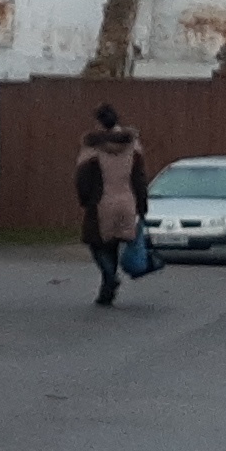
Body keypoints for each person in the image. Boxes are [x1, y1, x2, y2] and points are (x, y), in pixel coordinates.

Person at [76, 104, 150, 308]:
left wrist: (85, 200)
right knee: (115, 243)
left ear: (99, 122)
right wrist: (142, 205)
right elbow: (140, 178)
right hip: (127, 201)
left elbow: (82, 178)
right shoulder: (133, 146)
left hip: (101, 203)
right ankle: (106, 290)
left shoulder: (92, 147)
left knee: (96, 243)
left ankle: (109, 277)